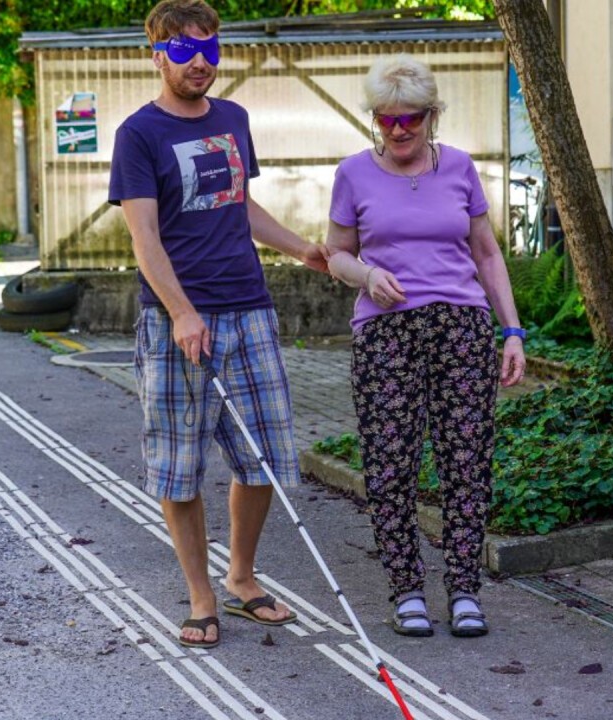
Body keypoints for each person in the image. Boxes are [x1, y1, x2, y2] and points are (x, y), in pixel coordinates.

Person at [108, 0, 328, 649]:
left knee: (263, 457)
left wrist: (300, 248)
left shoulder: (233, 119)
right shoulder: (139, 134)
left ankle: (241, 577)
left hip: (250, 308)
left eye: (210, 49)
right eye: (183, 50)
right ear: (158, 54)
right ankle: (200, 596)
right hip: (178, 320)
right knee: (180, 469)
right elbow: (144, 237)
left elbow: (241, 204)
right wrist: (180, 311)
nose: (199, 62)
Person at [324, 55, 526, 638]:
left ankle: (463, 588)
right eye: (386, 120)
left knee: (466, 462)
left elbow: (487, 254)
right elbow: (335, 252)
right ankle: (406, 588)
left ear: (432, 115)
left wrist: (511, 330)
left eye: (410, 118)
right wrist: (365, 276)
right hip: (386, 332)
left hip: (462, 329)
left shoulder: (460, 168)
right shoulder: (353, 174)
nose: (399, 131)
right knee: (391, 465)